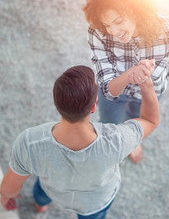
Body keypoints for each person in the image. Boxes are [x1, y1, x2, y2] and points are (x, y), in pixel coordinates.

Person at [0, 64, 159, 219]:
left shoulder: (29, 143)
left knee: (41, 194)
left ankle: (40, 206)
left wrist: (7, 197)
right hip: (95, 203)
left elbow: (9, 188)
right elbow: (150, 120)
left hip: (52, 190)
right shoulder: (118, 141)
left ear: (57, 103)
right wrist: (147, 85)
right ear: (93, 108)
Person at [82, 0, 169, 163]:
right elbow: (108, 90)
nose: (113, 31)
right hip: (115, 93)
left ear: (135, 9)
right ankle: (110, 145)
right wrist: (131, 74)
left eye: (118, 21)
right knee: (108, 122)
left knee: (136, 119)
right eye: (107, 25)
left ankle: (132, 141)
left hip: (151, 91)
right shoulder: (98, 33)